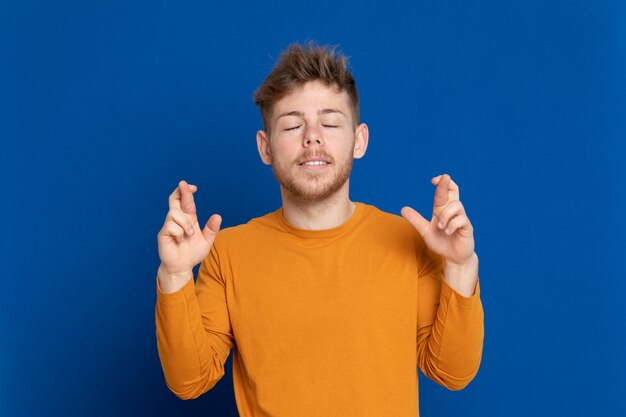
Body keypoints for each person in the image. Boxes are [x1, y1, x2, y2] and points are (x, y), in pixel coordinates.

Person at [155, 42, 484, 417]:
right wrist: (176, 274)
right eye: (293, 125)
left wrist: (459, 266)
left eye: (329, 123)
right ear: (265, 148)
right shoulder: (226, 252)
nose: (312, 136)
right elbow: (189, 380)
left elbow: (452, 373)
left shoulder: (408, 242)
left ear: (359, 140)